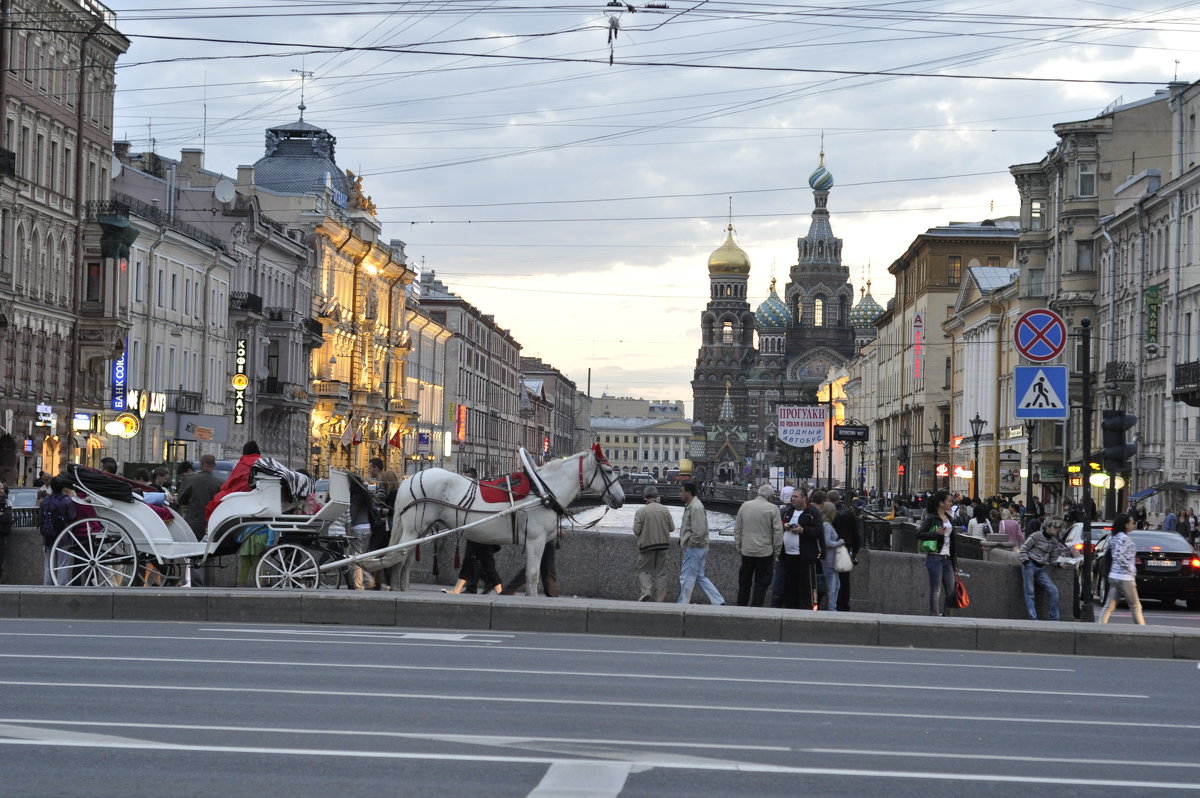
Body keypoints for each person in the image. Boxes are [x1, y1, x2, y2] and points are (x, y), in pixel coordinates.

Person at [734, 483, 783, 607]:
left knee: (744, 582)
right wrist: (776, 553)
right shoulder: (773, 509)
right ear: (770, 497)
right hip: (765, 552)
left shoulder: (745, 506)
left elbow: (738, 529)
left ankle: (741, 607)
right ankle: (756, 607)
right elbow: (778, 533)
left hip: (747, 550)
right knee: (761, 583)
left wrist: (739, 546)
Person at [676, 481, 724, 605]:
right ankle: (718, 601)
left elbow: (699, 530)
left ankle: (682, 604)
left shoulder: (696, 507)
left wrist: (690, 544)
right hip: (699, 547)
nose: (679, 494)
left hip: (695, 548)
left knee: (686, 577)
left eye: (681, 491)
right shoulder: (693, 505)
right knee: (699, 577)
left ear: (688, 492)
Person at [1017, 517, 1071, 621]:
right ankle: (1033, 618)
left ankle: (1054, 619)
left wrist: (1059, 564)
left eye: (1058, 528)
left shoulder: (1054, 542)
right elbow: (1023, 550)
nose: (1057, 530)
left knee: (1054, 591)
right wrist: (1026, 562)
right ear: (1047, 527)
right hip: (1030, 565)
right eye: (1055, 528)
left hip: (1041, 568)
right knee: (1030, 593)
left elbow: (1053, 559)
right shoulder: (1036, 536)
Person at [1099, 512, 1146, 625]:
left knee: (1109, 605)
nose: (1133, 525)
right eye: (1132, 523)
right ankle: (1143, 629)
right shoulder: (1123, 538)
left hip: (1114, 575)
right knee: (1135, 606)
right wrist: (1130, 567)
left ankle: (1100, 625)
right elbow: (1118, 555)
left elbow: (1113, 554)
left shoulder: (1114, 537)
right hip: (1124, 576)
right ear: (1126, 525)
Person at [916, 489, 957, 617]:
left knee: (951, 590)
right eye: (949, 501)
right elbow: (919, 534)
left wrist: (954, 562)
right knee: (936, 590)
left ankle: (947, 615)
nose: (951, 504)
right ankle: (934, 615)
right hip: (934, 557)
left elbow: (953, 542)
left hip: (947, 558)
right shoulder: (931, 518)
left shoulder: (949, 518)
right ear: (941, 503)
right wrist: (935, 533)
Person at [632, 485, 673, 601]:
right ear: (657, 496)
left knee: (644, 570)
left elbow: (636, 531)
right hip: (663, 546)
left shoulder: (640, 512)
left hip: (646, 547)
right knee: (662, 573)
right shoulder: (665, 510)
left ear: (645, 497)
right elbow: (672, 528)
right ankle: (660, 599)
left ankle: (646, 592)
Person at [178, 454, 224, 541]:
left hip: (192, 525)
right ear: (214, 465)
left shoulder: (189, 479)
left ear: (201, 464)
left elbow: (180, 500)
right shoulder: (220, 483)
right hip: (212, 525)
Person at [828, 490, 861, 611]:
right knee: (844, 580)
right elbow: (856, 534)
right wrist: (856, 549)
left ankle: (833, 606)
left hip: (832, 549)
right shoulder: (849, 513)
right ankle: (844, 606)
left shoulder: (830, 514)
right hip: (845, 549)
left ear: (829, 500)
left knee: (832, 579)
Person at [39, 477, 77, 585]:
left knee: (48, 566)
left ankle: (48, 587)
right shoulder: (67, 500)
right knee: (63, 565)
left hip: (48, 537)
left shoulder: (45, 501)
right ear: (63, 487)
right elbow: (72, 517)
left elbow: (41, 517)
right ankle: (60, 588)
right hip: (63, 537)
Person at [820, 501, 844, 611]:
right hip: (829, 560)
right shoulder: (827, 525)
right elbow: (826, 542)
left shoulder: (824, 524)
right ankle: (832, 609)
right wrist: (839, 543)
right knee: (832, 586)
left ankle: (833, 608)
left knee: (837, 585)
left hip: (830, 559)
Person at [0, 483, 11, 581]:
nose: (1, 490)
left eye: (2, 488)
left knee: (1, 559)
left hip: (2, 534)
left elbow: (7, 518)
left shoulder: (7, 502)